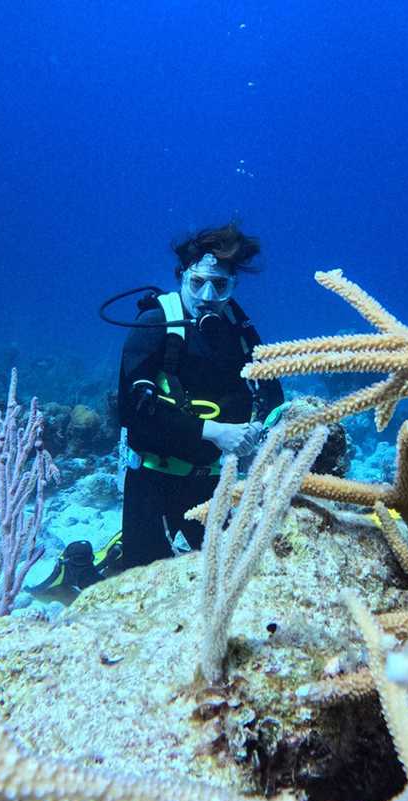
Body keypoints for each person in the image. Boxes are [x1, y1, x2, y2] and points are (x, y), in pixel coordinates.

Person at [116, 223, 283, 568]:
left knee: (229, 572)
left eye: (220, 285)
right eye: (197, 283)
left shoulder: (241, 333)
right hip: (151, 480)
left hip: (210, 481)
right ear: (181, 279)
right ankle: (89, 565)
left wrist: (259, 429)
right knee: (141, 579)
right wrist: (215, 432)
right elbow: (131, 412)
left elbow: (271, 394)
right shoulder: (155, 324)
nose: (207, 296)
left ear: (232, 286)